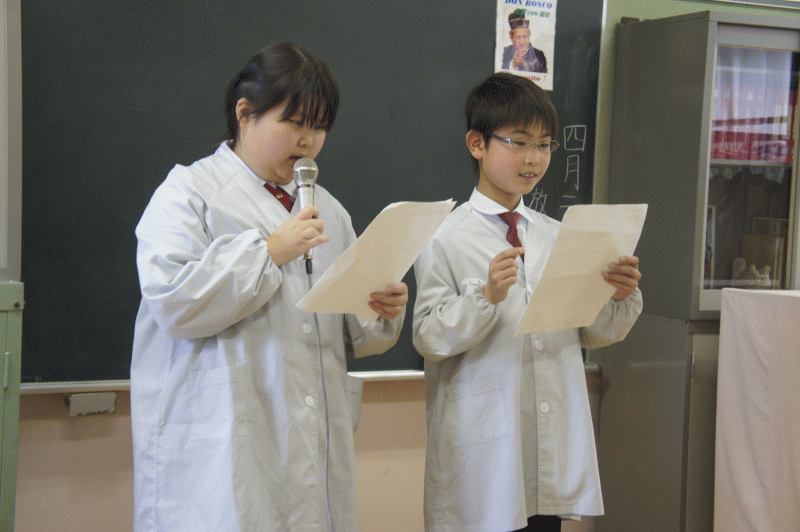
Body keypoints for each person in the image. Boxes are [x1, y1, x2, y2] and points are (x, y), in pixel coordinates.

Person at [130, 42, 408, 532]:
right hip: (223, 450)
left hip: (310, 445)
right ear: (245, 114)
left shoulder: (328, 210)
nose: (308, 141)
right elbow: (174, 302)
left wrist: (378, 307)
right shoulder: (189, 193)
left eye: (319, 127)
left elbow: (350, 333)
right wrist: (269, 251)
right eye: (294, 123)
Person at [412, 72, 642, 532]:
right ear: (477, 144)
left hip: (546, 441)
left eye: (544, 145)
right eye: (518, 143)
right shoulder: (442, 237)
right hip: (483, 451)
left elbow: (590, 332)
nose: (533, 158)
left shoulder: (558, 236)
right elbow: (428, 336)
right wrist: (487, 298)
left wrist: (616, 295)